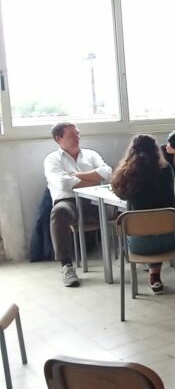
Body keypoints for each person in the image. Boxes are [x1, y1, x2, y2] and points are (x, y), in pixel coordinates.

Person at [43, 122, 112, 287]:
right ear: (59, 139)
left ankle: (141, 255)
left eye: (78, 134)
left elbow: (107, 173)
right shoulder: (52, 159)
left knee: (127, 205)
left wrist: (75, 176)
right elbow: (63, 183)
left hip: (95, 200)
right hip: (69, 202)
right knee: (59, 212)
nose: (77, 138)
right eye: (72, 136)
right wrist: (93, 179)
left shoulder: (91, 154)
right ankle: (66, 266)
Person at [111, 135, 175, 294]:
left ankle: (153, 272)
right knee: (162, 224)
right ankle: (155, 274)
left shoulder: (127, 173)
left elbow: (120, 194)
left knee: (142, 226)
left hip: (138, 245)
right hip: (170, 242)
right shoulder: (166, 169)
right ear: (156, 150)